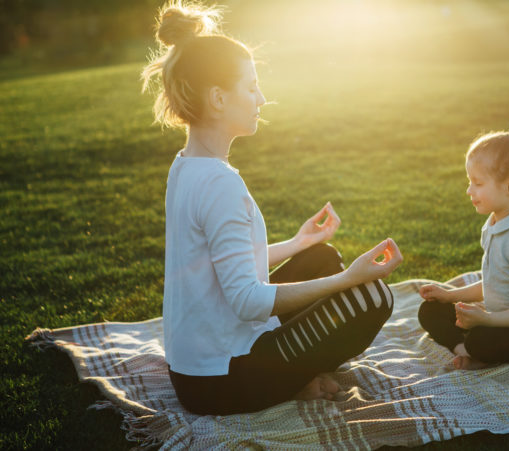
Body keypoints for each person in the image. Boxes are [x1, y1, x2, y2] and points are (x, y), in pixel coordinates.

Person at [141, 1, 403, 415]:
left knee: (320, 255)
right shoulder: (220, 183)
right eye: (251, 87)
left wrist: (299, 242)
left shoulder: (186, 166)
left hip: (194, 368)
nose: (262, 98)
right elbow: (247, 300)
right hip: (222, 379)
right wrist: (348, 280)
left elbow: (221, 266)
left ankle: (289, 370)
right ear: (218, 98)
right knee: (372, 297)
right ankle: (288, 383)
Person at [417, 110, 509, 370]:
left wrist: (485, 319)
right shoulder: (494, 225)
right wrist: (448, 295)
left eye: (477, 183)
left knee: (480, 339)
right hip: (498, 320)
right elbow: (492, 284)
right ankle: (465, 350)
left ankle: (472, 351)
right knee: (429, 311)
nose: (469, 190)